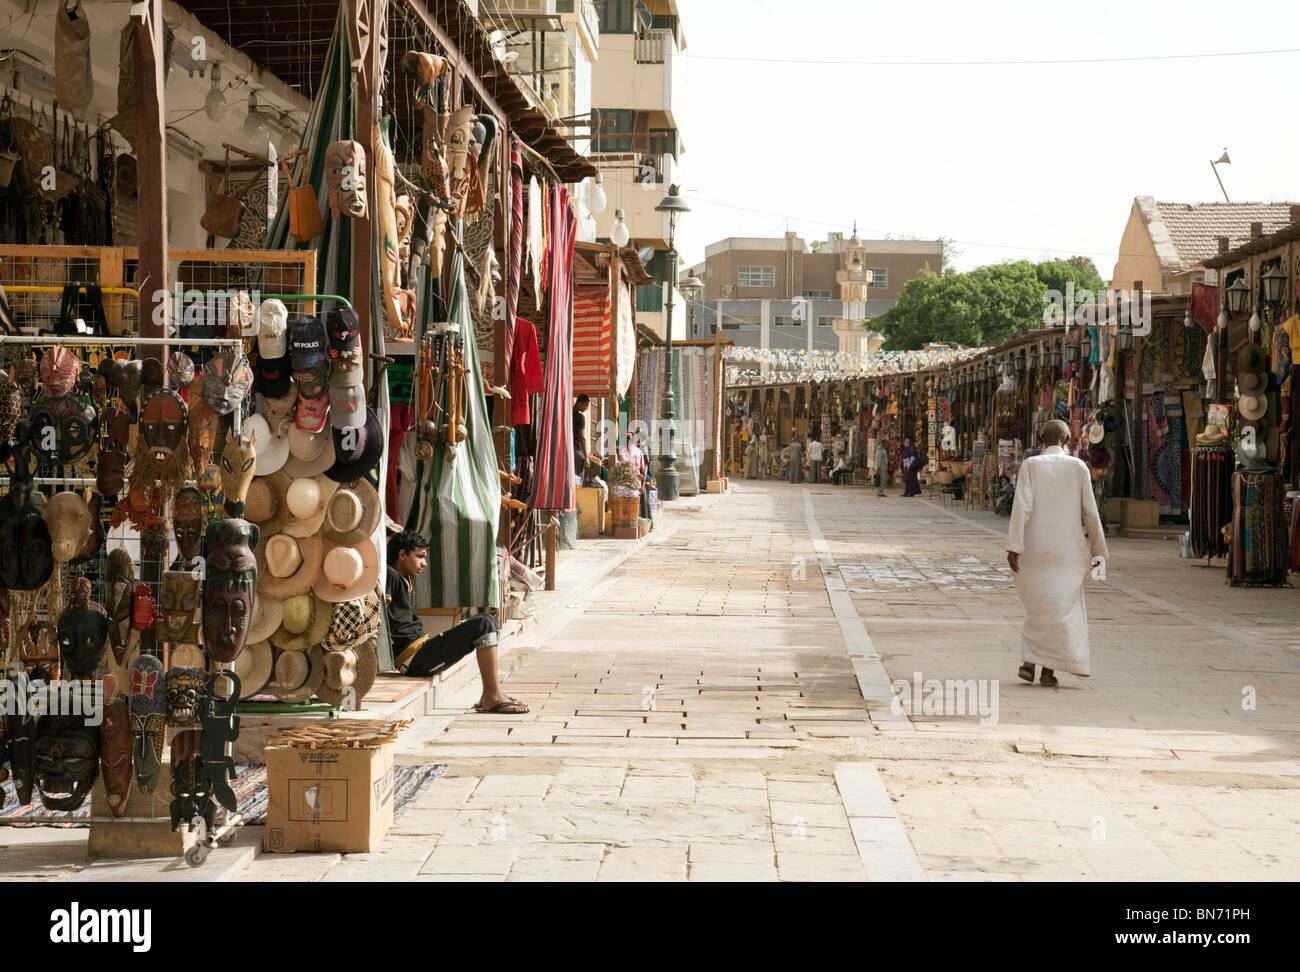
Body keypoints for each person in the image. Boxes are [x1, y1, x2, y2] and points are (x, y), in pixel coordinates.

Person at [1006, 420, 1109, 687]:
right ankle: (1048, 670)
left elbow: (1022, 507)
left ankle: (1031, 660)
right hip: (1068, 550)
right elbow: (1090, 512)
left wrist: (1014, 545)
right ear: (1067, 439)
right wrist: (1099, 551)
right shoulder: (1078, 467)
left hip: (1034, 548)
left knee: (1039, 607)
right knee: (1063, 609)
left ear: (1041, 439)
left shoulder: (1030, 466)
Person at [386, 529, 529, 713]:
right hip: (414, 660)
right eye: (420, 557)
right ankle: (492, 696)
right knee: (484, 623)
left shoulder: (403, 578)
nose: (424, 564)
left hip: (420, 652)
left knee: (486, 621)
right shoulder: (390, 575)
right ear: (402, 554)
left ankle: (492, 693)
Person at [572, 394, 590, 484]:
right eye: (586, 405)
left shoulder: (567, 414)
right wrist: (586, 457)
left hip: (566, 450)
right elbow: (582, 438)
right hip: (577, 451)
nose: (586, 408)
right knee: (578, 479)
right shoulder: (580, 417)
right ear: (580, 403)